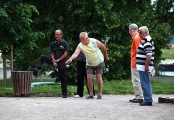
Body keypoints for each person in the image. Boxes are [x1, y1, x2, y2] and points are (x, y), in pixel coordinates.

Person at [66, 32, 109, 99]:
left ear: (87, 38)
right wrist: (71, 58)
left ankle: (100, 94)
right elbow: (76, 53)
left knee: (98, 77)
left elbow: (103, 46)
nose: (81, 40)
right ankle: (91, 94)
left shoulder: (94, 41)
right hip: (89, 63)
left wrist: (105, 56)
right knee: (89, 78)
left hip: (99, 61)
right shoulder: (80, 45)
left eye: (83, 39)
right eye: (80, 39)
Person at [31, 29, 69, 98]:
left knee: (63, 78)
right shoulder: (53, 43)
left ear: (61, 35)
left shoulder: (65, 43)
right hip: (55, 60)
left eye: (57, 34)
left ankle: (64, 94)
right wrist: (53, 60)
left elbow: (65, 54)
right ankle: (36, 69)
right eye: (55, 34)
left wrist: (58, 60)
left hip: (62, 61)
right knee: (42, 57)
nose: (56, 36)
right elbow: (52, 53)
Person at [74, 27, 95, 98]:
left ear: (88, 33)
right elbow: (76, 52)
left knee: (89, 77)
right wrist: (76, 60)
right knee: (80, 77)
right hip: (80, 60)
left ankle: (91, 93)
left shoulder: (91, 41)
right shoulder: (78, 42)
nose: (83, 32)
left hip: (88, 61)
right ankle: (79, 93)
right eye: (82, 31)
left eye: (85, 31)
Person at [136, 26, 155, 106]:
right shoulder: (146, 40)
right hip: (143, 66)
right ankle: (147, 99)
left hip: (144, 67)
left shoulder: (147, 40)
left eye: (140, 33)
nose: (139, 34)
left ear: (146, 32)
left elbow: (149, 54)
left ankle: (148, 100)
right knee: (145, 83)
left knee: (145, 83)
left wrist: (146, 66)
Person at [128, 23, 143, 103]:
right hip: (137, 62)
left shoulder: (136, 38)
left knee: (136, 80)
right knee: (136, 79)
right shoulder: (137, 37)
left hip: (135, 62)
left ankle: (139, 97)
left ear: (130, 30)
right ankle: (138, 96)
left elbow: (138, 51)